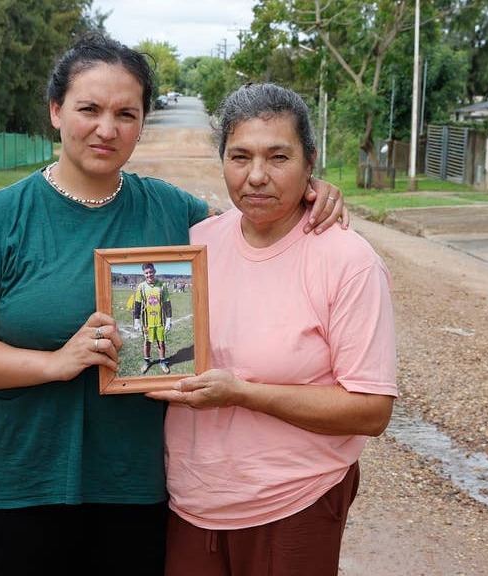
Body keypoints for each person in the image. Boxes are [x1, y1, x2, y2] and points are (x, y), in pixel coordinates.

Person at [0, 34, 347, 576]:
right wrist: (55, 363)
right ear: (56, 111)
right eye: (89, 109)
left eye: (126, 113)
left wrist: (311, 190)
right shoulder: (2, 217)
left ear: (142, 123)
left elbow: (255, 216)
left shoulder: (175, 213)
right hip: (24, 482)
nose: (107, 129)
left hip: (138, 486)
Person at [146, 83, 398, 576]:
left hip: (295, 502)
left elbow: (370, 410)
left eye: (278, 156)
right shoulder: (194, 246)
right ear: (221, 160)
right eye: (240, 156)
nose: (256, 176)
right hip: (191, 502)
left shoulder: (346, 260)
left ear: (310, 162)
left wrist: (241, 393)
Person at [133, 262, 172, 374]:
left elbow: (167, 303)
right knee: (147, 342)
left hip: (160, 321)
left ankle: (163, 362)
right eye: (146, 273)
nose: (149, 274)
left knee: (161, 342)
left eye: (151, 272)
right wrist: (136, 320)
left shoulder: (162, 285)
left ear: (154, 271)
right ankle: (147, 362)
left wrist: (169, 319)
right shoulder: (141, 287)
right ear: (144, 274)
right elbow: (137, 304)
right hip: (147, 322)